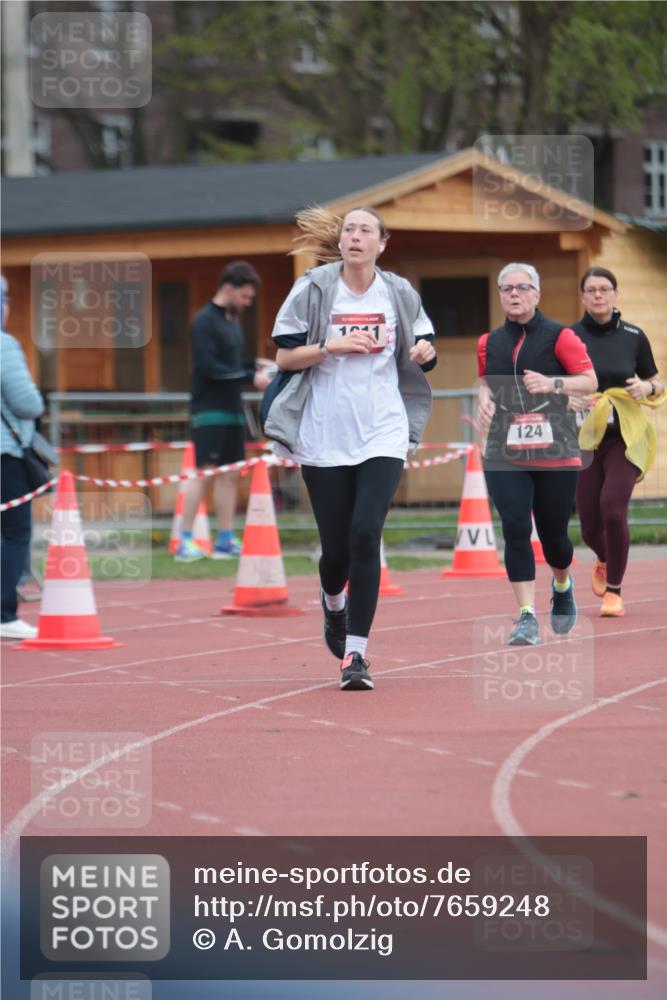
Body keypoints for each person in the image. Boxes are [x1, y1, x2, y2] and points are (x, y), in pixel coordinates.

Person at [265, 205, 437, 691]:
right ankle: (332, 601)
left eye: (366, 230)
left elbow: (424, 341)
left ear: (383, 243)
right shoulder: (315, 288)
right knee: (336, 552)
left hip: (383, 430)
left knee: (366, 536)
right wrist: (330, 348)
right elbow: (283, 355)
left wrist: (425, 352)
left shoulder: (398, 291)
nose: (356, 237)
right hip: (324, 434)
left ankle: (356, 656)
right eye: (349, 230)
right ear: (339, 242)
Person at [477, 263, 597, 646]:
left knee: (554, 536)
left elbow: (590, 381)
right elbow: (484, 382)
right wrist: (484, 401)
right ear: (499, 295)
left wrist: (552, 383)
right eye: (507, 288)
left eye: (523, 287)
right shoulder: (488, 342)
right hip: (505, 449)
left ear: (537, 294)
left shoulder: (560, 336)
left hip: (555, 449)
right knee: (514, 526)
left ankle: (562, 583)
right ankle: (526, 616)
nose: (515, 294)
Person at [569, 267, 664, 617]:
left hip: (625, 436)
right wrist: (569, 397)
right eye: (591, 290)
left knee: (612, 507)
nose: (598, 295)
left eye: (604, 289)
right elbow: (556, 382)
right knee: (590, 524)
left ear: (615, 294)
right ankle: (605, 558)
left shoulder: (633, 335)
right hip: (585, 438)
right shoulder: (568, 336)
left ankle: (614, 592)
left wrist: (646, 388)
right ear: (582, 296)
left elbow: (658, 382)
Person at [176, 261, 272, 561]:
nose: (247, 302)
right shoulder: (204, 321)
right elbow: (210, 368)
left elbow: (233, 364)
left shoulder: (232, 320)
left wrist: (255, 366)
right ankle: (185, 540)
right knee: (204, 472)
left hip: (233, 408)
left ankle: (226, 538)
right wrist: (249, 377)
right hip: (208, 409)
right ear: (228, 288)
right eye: (245, 296)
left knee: (230, 474)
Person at [1, 275, 44, 640]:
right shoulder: (5, 345)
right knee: (15, 533)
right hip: (5, 455)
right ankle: (4, 614)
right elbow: (27, 403)